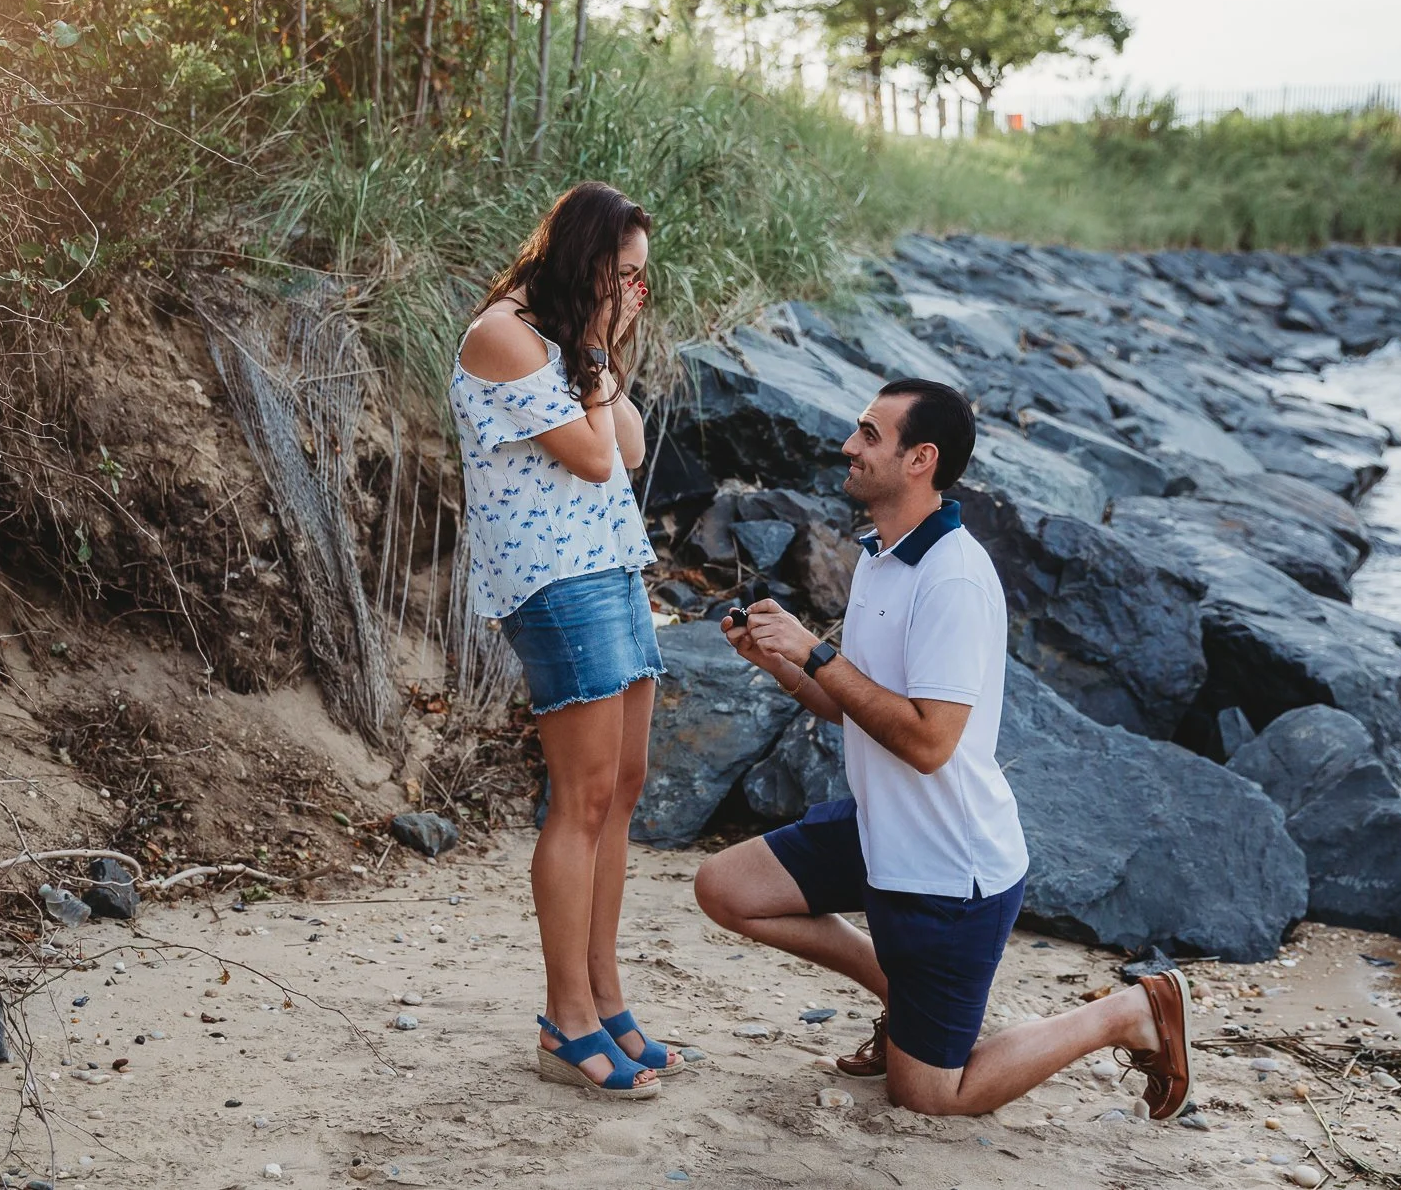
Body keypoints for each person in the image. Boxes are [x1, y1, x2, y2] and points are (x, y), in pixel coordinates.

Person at [693, 378, 1195, 1119]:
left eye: (869, 433)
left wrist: (815, 652)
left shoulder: (954, 577)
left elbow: (929, 742)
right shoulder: (881, 555)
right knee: (724, 887)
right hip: (880, 831)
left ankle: (1127, 1013)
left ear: (920, 458)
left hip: (946, 873)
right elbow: (863, 708)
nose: (848, 446)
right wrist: (786, 664)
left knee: (931, 1095)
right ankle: (901, 990)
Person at [448, 181, 681, 1099]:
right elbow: (591, 453)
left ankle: (607, 999)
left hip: (611, 563)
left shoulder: (574, 344)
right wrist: (594, 348)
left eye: (641, 282)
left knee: (620, 791)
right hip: (553, 578)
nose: (634, 294)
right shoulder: (504, 334)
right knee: (580, 799)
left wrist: (599, 343)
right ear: (585, 261)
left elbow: (625, 443)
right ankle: (565, 1017)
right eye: (624, 276)